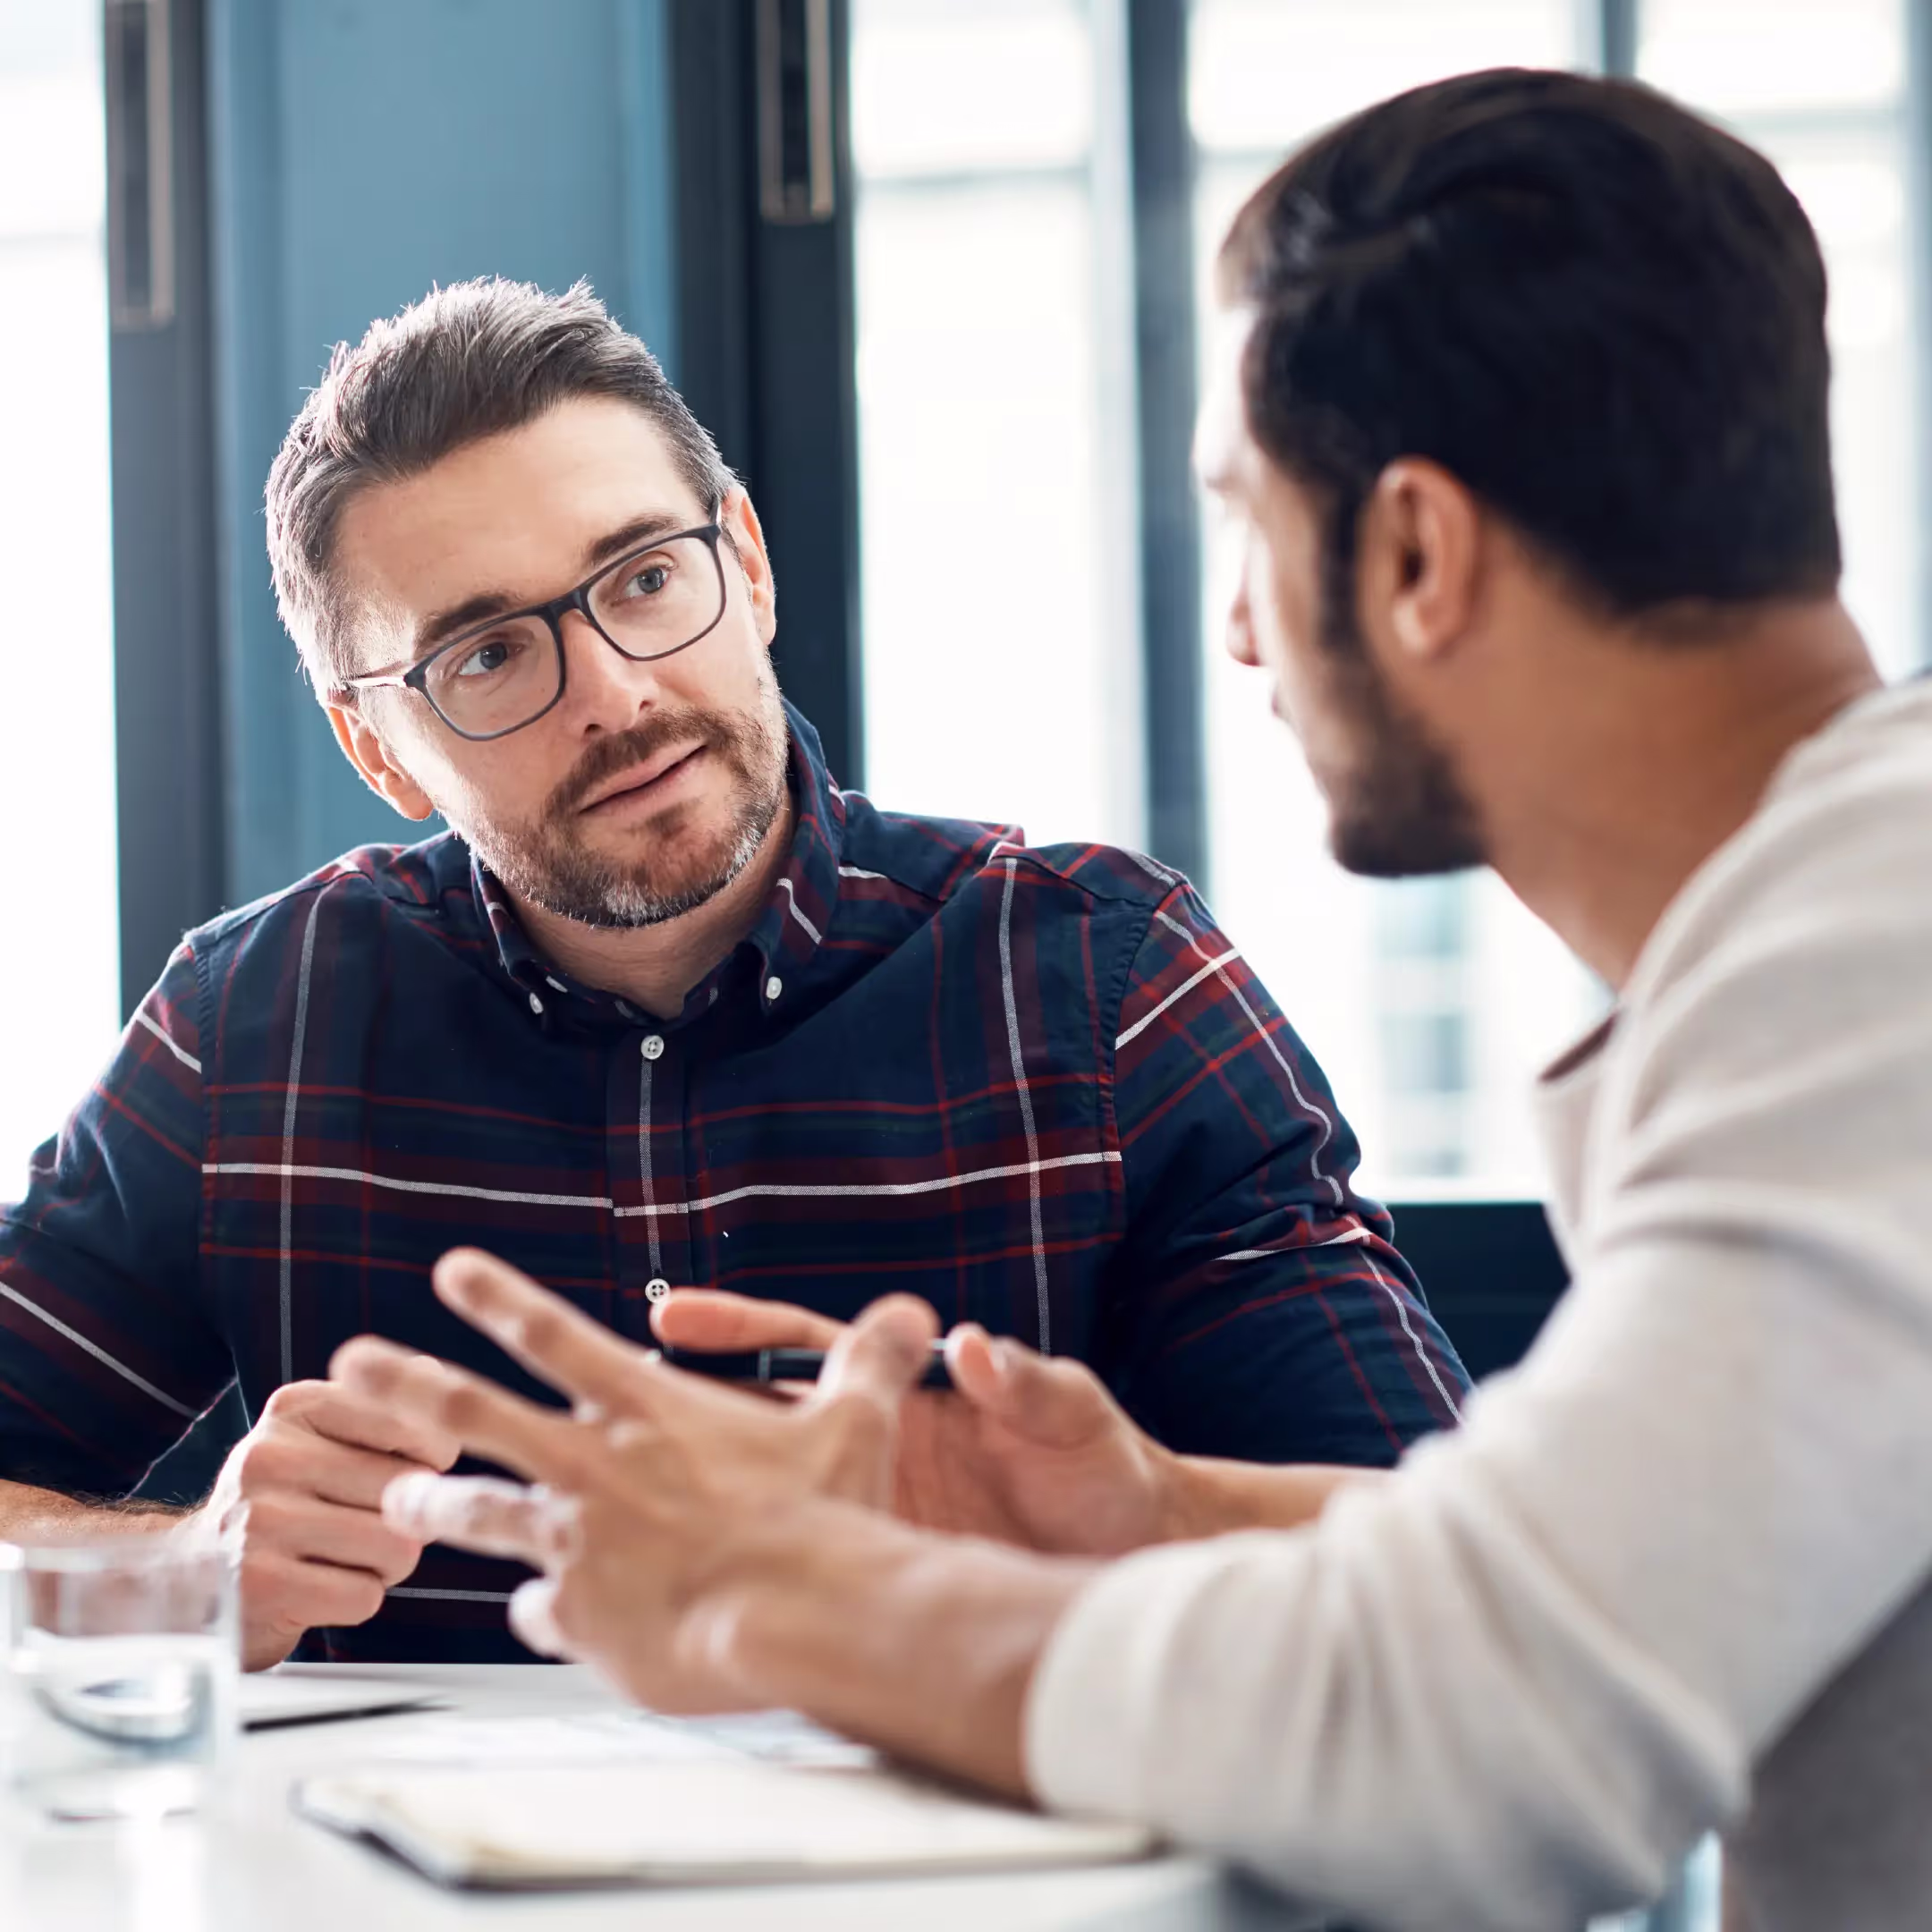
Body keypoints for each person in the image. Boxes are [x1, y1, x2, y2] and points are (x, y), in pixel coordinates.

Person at [334, 66, 1932, 1932]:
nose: (1240, 626)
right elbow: (1645, 1576)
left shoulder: (1875, 958)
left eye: (1245, 518)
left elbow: (1481, 1743)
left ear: (1415, 556)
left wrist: (786, 1592)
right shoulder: (1844, 924)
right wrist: (1164, 1512)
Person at [0, 280, 1465, 1670]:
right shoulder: (251, 1024)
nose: (617, 695)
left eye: (643, 578)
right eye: (491, 655)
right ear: (378, 748)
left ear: (746, 564)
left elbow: (1438, 1571)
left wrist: (1112, 1510)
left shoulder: (1108, 979)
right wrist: (175, 1572)